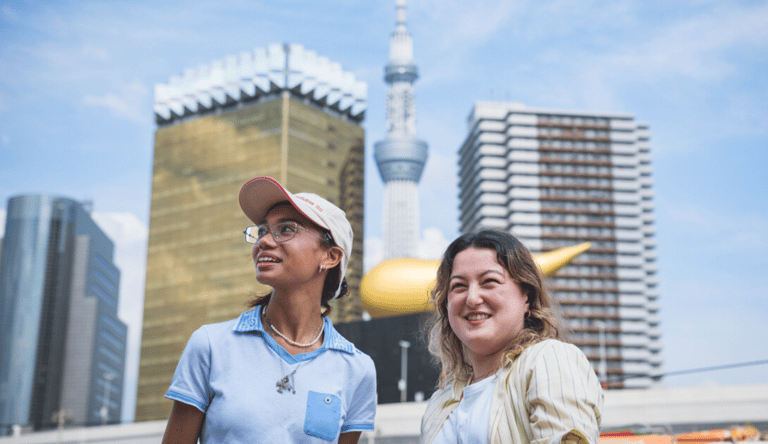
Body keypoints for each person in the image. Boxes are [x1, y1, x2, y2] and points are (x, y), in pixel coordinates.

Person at [161, 177, 377, 444]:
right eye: (262, 230)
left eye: (286, 229)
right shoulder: (210, 346)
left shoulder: (357, 369)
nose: (263, 241)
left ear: (329, 256)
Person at [420, 229, 603, 444]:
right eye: (459, 286)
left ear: (526, 296)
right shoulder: (438, 403)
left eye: (489, 281)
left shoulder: (548, 359)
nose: (472, 298)